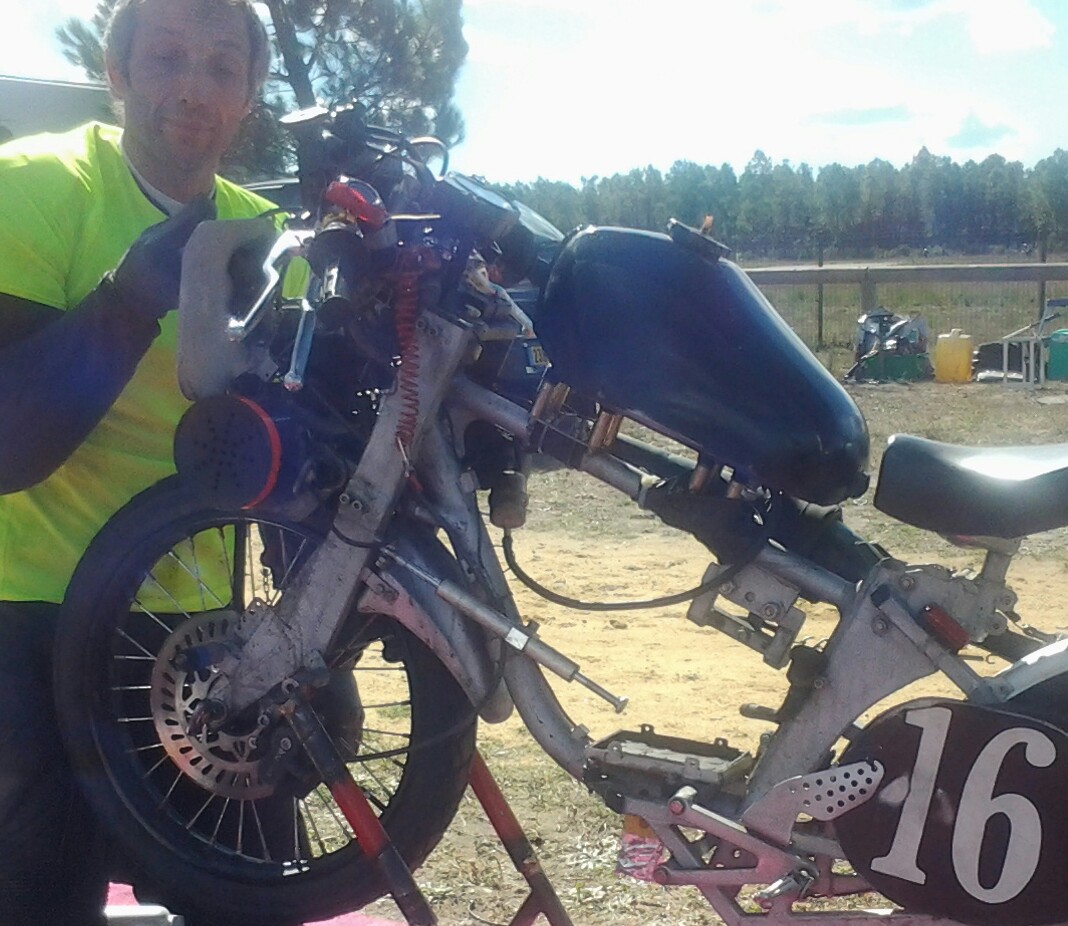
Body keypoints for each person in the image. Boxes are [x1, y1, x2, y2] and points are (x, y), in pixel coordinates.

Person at [0, 0, 278, 921]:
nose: (194, 89)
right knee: (38, 899)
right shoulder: (32, 186)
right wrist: (126, 302)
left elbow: (294, 460)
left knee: (253, 896)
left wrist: (322, 652)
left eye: (223, 66)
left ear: (249, 96)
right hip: (30, 614)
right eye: (166, 58)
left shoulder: (269, 237)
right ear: (116, 73)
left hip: (196, 628)